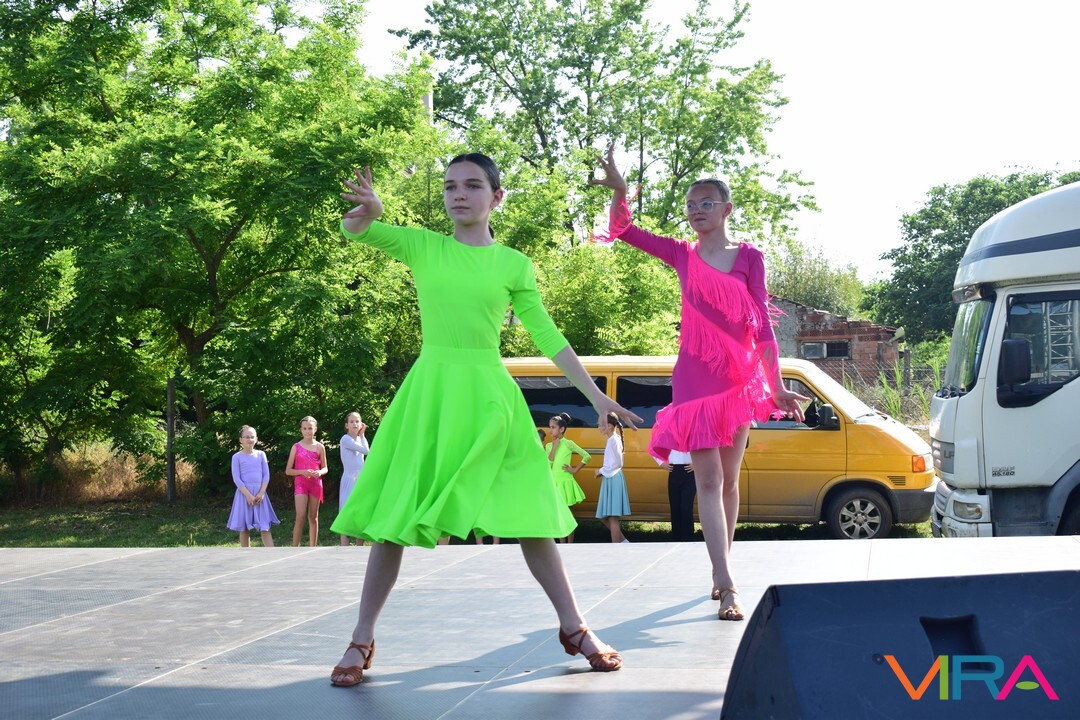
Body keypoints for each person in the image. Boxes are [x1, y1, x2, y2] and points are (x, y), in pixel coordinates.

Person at [328, 154, 642, 686]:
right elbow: (354, 228)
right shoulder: (424, 246)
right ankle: (361, 638)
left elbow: (546, 335)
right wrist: (371, 212)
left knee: (531, 517)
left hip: (493, 400)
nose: (459, 194)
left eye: (473, 185)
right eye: (451, 185)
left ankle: (575, 627)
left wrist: (595, 396)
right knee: (394, 519)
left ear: (496, 197)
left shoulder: (513, 264)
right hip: (431, 397)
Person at [592, 146, 807, 621]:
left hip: (738, 380)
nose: (696, 209)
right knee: (707, 479)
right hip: (693, 378)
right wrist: (621, 191)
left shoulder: (749, 257)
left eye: (706, 202)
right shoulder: (682, 254)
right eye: (691, 204)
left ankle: (719, 568)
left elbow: (762, 326)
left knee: (729, 481)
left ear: (727, 208)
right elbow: (625, 231)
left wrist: (775, 385)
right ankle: (727, 584)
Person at [226, 425, 279, 547]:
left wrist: (261, 492)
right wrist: (248, 495)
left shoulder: (261, 454)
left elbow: (266, 475)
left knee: (265, 527)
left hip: (260, 495)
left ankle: (272, 553)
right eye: (246, 437)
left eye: (252, 437)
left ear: (256, 439)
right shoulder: (236, 457)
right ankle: (246, 553)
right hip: (244, 495)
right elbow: (237, 479)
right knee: (245, 528)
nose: (250, 439)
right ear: (241, 440)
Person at [546, 412, 590, 543]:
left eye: (553, 427)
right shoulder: (549, 446)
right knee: (559, 516)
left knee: (568, 516)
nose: (550, 430)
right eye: (550, 427)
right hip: (555, 483)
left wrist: (574, 469)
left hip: (566, 483)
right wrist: (554, 448)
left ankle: (570, 545)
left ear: (561, 429)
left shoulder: (568, 444)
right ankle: (562, 545)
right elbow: (548, 464)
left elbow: (586, 456)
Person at [285, 416, 328, 547]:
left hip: (315, 483)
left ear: (315, 429)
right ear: (301, 430)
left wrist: (319, 472)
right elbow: (288, 470)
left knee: (313, 517)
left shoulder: (320, 447)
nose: (307, 431)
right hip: (300, 484)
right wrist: (302, 472)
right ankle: (295, 547)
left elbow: (325, 467)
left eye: (310, 428)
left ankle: (312, 547)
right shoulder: (296, 447)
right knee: (300, 516)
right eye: (305, 428)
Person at [594, 412, 631, 543]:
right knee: (604, 516)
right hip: (610, 478)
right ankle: (624, 542)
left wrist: (600, 471)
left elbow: (618, 463)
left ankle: (617, 548)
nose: (598, 427)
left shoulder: (613, 440)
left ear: (609, 426)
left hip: (613, 478)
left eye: (600, 425)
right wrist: (602, 472)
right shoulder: (612, 440)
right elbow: (612, 463)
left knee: (612, 518)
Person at [339, 412, 370, 547]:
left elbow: (367, 450)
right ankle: (344, 546)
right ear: (346, 425)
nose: (355, 424)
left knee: (360, 512)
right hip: (349, 479)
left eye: (357, 421)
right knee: (347, 512)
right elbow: (366, 451)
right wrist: (362, 436)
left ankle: (359, 547)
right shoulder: (345, 439)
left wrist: (362, 436)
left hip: (360, 480)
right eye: (351, 421)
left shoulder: (360, 439)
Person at [662, 450, 697, 542]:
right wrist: (661, 463)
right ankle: (676, 538)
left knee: (686, 507)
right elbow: (654, 447)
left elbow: (706, 448)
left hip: (689, 471)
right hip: (674, 470)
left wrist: (698, 463)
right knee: (675, 506)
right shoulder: (668, 439)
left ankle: (688, 538)